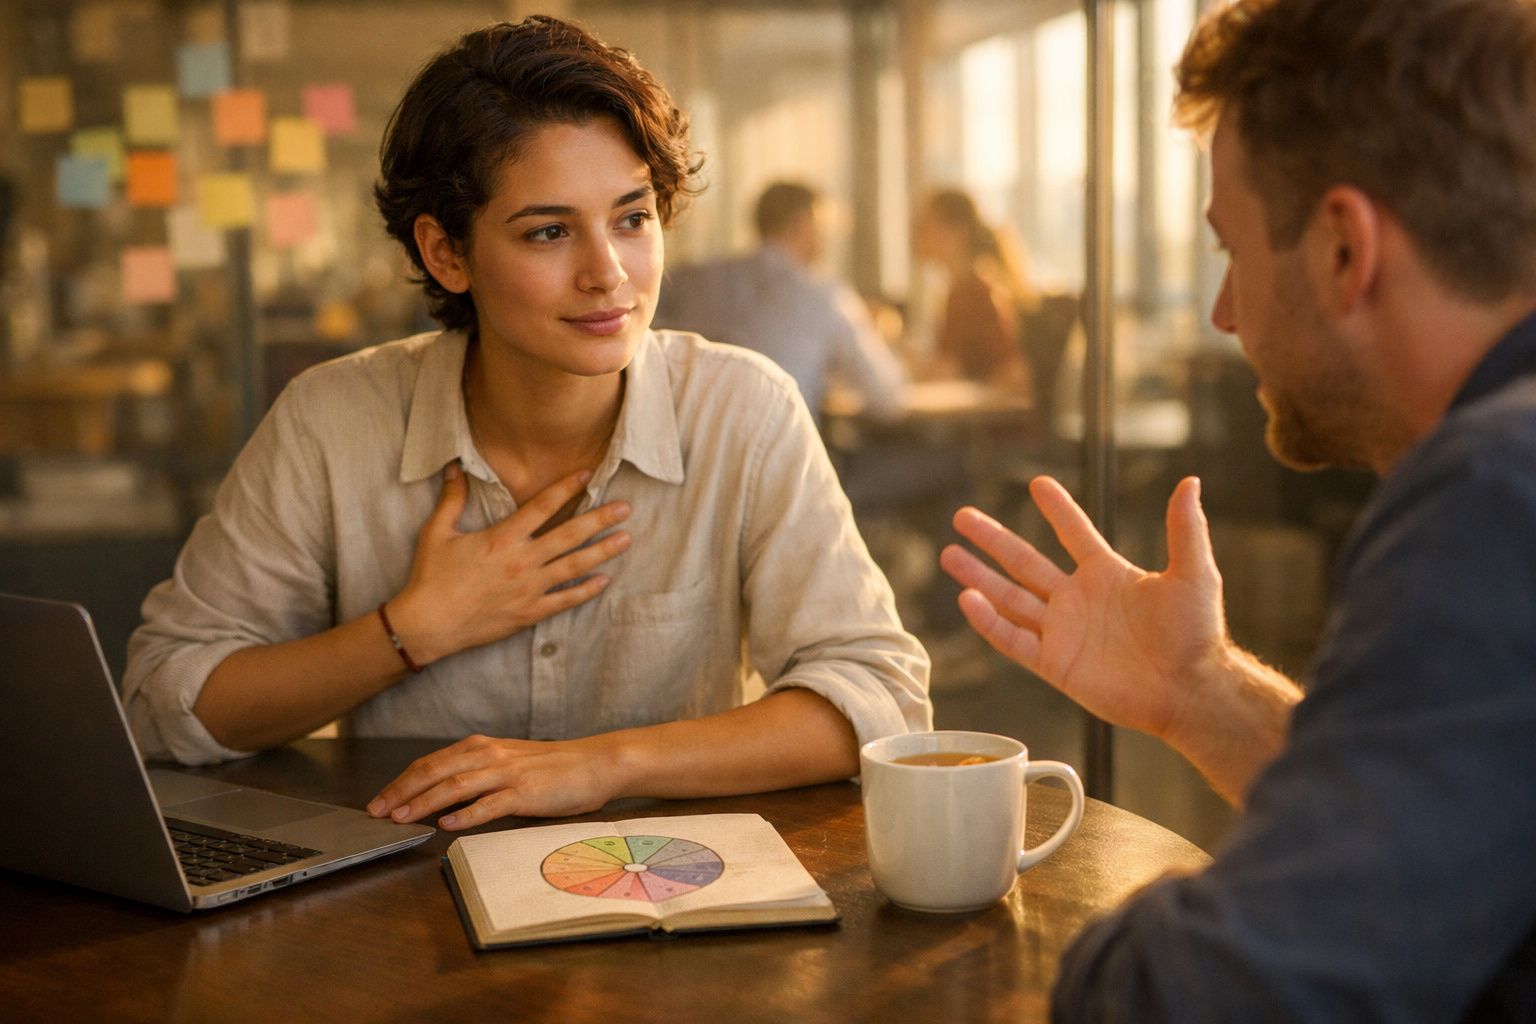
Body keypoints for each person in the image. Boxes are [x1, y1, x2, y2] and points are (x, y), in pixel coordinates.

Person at [124, 16, 930, 833]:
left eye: (631, 217)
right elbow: (166, 701)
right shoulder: (331, 422)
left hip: (669, 898)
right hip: (399, 911)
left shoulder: (742, 410)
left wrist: (602, 764)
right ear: (445, 254)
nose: (608, 275)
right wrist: (409, 632)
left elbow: (878, 698)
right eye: (549, 231)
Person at [940, 0, 1536, 1019]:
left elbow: (1212, 989)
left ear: (1345, 249)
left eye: (1230, 250)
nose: (1223, 312)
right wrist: (1202, 687)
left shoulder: (1493, 491)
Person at [654, 180, 908, 422]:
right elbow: (886, 396)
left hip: (686, 453)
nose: (826, 240)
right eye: (823, 228)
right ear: (804, 225)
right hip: (779, 457)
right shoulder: (824, 297)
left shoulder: (694, 278)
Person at [913, 187, 1033, 390]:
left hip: (992, 418)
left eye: (926, 225)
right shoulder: (960, 289)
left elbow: (946, 372)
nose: (917, 233)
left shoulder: (975, 293)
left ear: (958, 232)